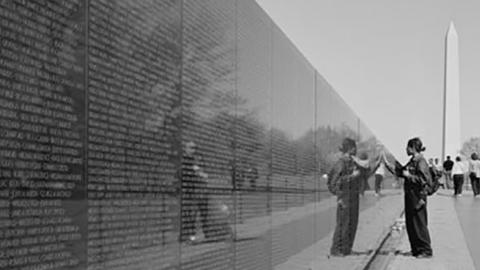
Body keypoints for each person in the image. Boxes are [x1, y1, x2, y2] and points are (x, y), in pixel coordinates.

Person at [328, 138, 380, 256]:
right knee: (343, 224)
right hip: (344, 197)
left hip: (354, 196)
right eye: (354, 148)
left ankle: (347, 249)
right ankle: (336, 250)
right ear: (350, 149)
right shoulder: (340, 163)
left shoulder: (353, 162)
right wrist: (351, 177)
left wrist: (376, 166)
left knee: (352, 224)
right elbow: (333, 183)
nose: (356, 150)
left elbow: (364, 175)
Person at [388, 137, 433, 258]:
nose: (405, 149)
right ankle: (416, 250)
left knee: (419, 223)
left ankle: (426, 250)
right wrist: (390, 165)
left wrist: (409, 176)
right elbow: (401, 172)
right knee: (411, 224)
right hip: (410, 196)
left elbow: (423, 180)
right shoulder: (412, 161)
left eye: (407, 147)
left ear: (413, 148)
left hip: (418, 196)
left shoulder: (421, 162)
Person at [180, 141, 210, 243]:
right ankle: (188, 236)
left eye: (194, 148)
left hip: (197, 190)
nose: (193, 150)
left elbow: (204, 172)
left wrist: (201, 174)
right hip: (187, 190)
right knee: (189, 214)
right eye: (191, 148)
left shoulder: (197, 160)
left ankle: (205, 233)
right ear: (186, 148)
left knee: (200, 213)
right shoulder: (183, 159)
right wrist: (195, 172)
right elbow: (183, 173)